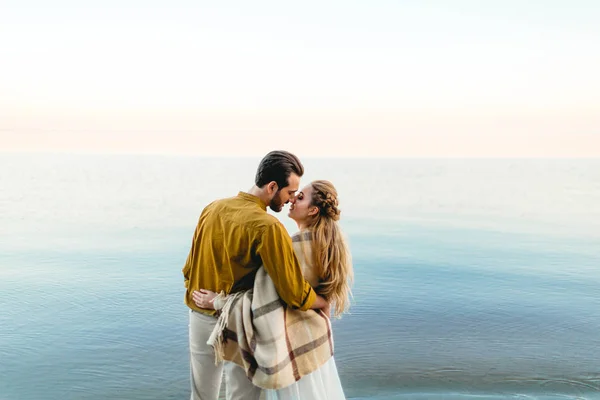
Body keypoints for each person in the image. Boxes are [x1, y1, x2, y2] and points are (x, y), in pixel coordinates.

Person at [182, 150, 329, 400]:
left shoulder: (212, 208)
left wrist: (203, 296)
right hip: (238, 323)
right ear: (272, 186)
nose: (289, 200)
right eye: (289, 193)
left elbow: (189, 268)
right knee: (244, 396)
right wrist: (320, 301)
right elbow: (293, 292)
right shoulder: (268, 228)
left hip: (199, 315)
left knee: (201, 395)